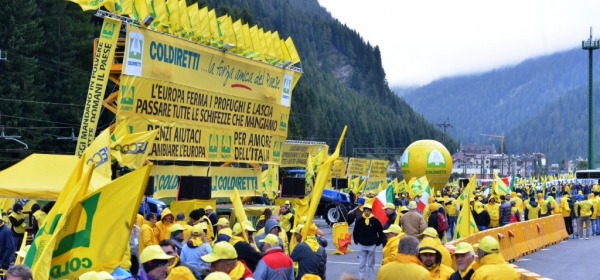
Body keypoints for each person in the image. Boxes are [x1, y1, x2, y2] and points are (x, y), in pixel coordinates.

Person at [352, 203, 384, 280]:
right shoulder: (359, 220)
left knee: (371, 265)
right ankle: (361, 278)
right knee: (361, 264)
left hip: (371, 245)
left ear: (370, 211)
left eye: (368, 211)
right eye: (365, 210)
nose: (366, 212)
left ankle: (371, 278)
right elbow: (355, 231)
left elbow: (381, 232)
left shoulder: (375, 221)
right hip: (361, 245)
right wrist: (356, 241)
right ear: (363, 211)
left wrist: (378, 242)